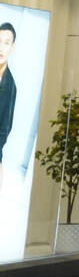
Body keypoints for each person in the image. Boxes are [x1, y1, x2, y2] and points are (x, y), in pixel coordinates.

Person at [0, 22, 17, 189]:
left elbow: (5, 128)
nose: (1, 48)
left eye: (6, 43)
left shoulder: (10, 86)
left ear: (12, 47)